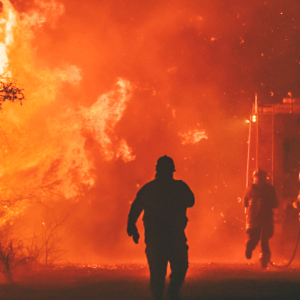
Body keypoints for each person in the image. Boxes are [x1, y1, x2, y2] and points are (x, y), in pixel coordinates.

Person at [127, 155, 195, 300]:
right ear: (172, 170)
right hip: (169, 237)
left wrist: (132, 227)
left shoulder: (149, 189)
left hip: (158, 239)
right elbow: (191, 201)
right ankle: (170, 293)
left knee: (163, 270)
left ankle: (167, 294)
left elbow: (135, 208)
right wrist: (131, 226)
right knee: (178, 267)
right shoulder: (179, 187)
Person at [244, 169, 278, 268]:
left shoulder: (249, 189)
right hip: (265, 218)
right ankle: (264, 260)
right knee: (264, 240)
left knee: (255, 238)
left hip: (253, 219)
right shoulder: (269, 189)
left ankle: (250, 245)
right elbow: (275, 203)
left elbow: (245, 203)